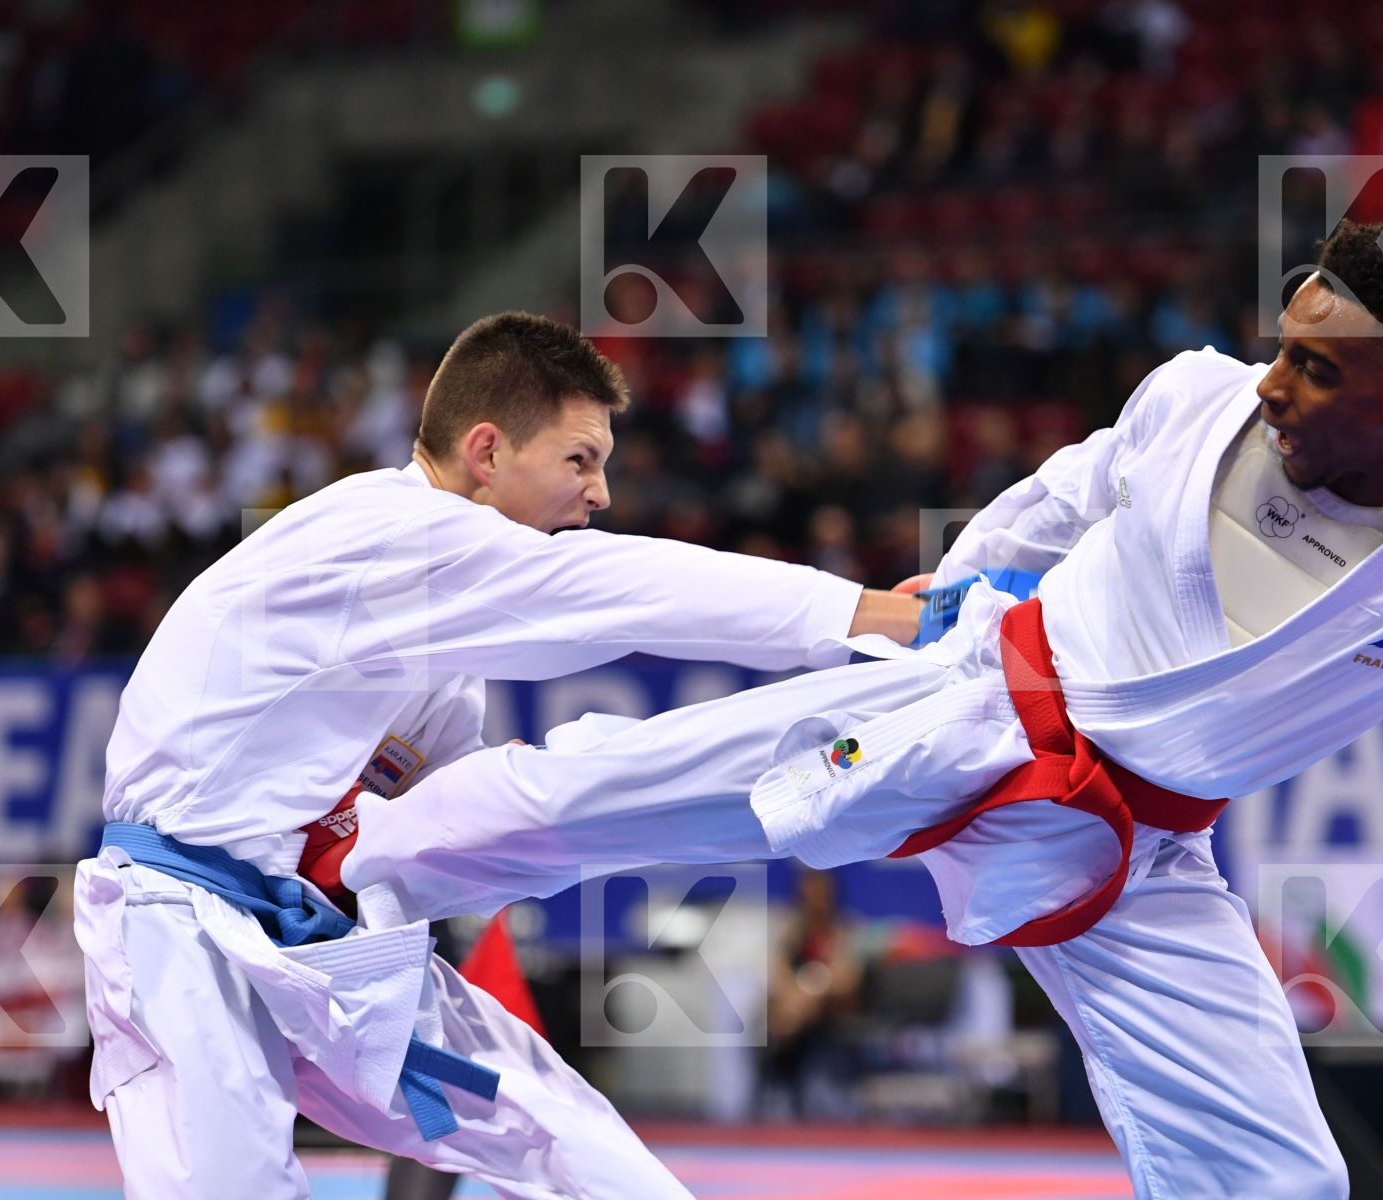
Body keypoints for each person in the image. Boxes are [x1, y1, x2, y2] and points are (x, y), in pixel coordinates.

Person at [357, 220, 1383, 1198]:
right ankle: (342, 866)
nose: (1274, 384)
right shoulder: (1202, 396)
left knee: (1282, 1175)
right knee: (612, 791)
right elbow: (1070, 490)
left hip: (1132, 864)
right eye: (1286, 345)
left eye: (1317, 369)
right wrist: (956, 586)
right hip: (973, 704)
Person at [74, 312, 935, 1200]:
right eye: (580, 459)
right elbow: (628, 590)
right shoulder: (385, 531)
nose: (600, 493)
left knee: (570, 1136)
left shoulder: (448, 660)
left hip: (315, 937)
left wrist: (534, 813)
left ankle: (866, 748)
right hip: (176, 925)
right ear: (487, 451)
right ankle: (894, 724)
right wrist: (870, 614)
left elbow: (442, 821)